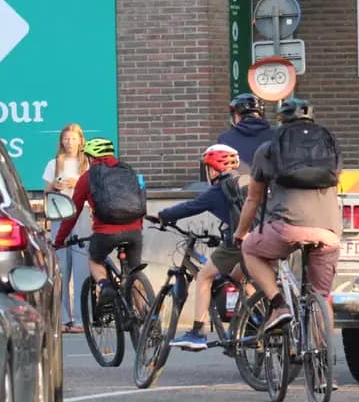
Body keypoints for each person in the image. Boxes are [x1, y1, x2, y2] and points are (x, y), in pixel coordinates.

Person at [233, 98, 342, 334]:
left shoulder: (269, 149)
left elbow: (253, 198)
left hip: (287, 226)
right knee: (321, 296)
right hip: (329, 231)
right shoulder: (329, 146)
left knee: (250, 249)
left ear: (280, 122)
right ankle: (321, 360)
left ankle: (279, 306)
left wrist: (241, 233)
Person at [146, 144, 247, 351]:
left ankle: (198, 332)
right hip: (263, 239)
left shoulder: (218, 190)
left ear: (212, 169)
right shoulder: (245, 182)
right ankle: (245, 325)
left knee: (204, 277)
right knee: (242, 280)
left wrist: (163, 216)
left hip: (238, 242)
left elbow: (189, 207)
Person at [53, 137, 146, 309]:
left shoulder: (87, 178)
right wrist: (138, 226)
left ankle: (105, 285)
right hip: (134, 231)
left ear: (90, 157)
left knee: (95, 260)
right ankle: (148, 319)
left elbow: (73, 213)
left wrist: (59, 241)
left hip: (105, 233)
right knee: (135, 273)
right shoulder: (128, 172)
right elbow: (141, 201)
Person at [44, 123, 90, 334]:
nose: (69, 142)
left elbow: (94, 191)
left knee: (82, 268)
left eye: (73, 138)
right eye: (65, 139)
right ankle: (63, 318)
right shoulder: (54, 163)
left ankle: (81, 320)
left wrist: (76, 184)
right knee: (61, 268)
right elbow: (46, 192)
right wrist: (56, 185)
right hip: (59, 215)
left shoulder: (87, 164)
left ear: (81, 141)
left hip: (81, 216)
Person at [217, 93, 273, 168]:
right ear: (261, 115)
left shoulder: (225, 139)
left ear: (236, 115)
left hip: (238, 179)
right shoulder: (277, 136)